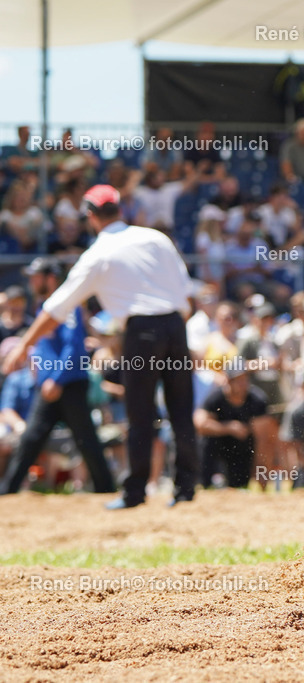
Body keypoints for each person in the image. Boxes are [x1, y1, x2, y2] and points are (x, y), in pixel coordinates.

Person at [2, 184, 199, 509]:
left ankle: (135, 492)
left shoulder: (97, 254)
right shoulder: (156, 238)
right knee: (181, 411)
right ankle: (186, 489)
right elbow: (186, 293)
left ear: (91, 217)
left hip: (141, 332)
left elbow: (55, 309)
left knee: (140, 413)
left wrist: (24, 345)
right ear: (120, 209)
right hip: (176, 326)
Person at [0, 257, 115, 495]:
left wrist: (56, 379)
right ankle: (9, 490)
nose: (31, 281)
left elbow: (74, 347)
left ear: (50, 278)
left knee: (85, 439)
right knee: (32, 438)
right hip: (51, 384)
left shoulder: (67, 304)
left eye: (36, 276)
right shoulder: (46, 306)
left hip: (67, 383)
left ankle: (106, 488)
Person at [194, 361, 272, 489]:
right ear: (229, 381)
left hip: (242, 449)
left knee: (239, 483)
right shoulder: (215, 398)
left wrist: (260, 470)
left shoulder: (257, 400)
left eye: (245, 379)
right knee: (207, 439)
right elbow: (200, 423)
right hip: (218, 445)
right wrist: (228, 428)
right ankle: (205, 481)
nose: (243, 384)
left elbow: (263, 439)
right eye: (238, 380)